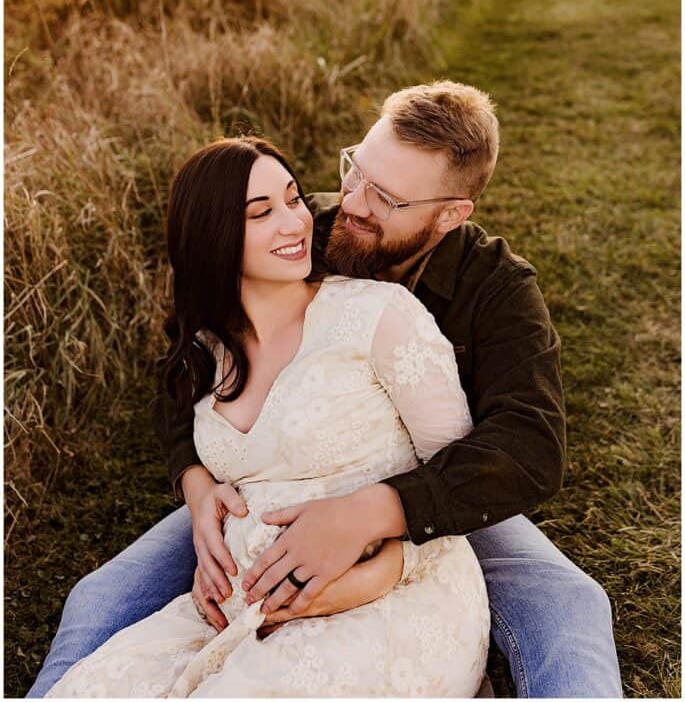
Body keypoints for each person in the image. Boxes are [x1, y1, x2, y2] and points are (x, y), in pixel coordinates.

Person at [29, 81, 622, 698]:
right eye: (355, 171)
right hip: (265, 490)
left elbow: (529, 445)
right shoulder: (294, 231)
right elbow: (186, 369)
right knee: (101, 597)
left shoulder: (496, 288)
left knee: (567, 604)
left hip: (438, 490)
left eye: (388, 199)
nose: (354, 203)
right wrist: (196, 485)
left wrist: (374, 515)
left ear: (450, 214)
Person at [46, 134, 491, 697]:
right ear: (213, 238)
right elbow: (173, 410)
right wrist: (197, 486)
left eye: (292, 199)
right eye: (262, 213)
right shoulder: (206, 347)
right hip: (229, 613)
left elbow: (459, 477)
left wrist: (387, 566)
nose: (295, 223)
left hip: (390, 595)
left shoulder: (380, 316)